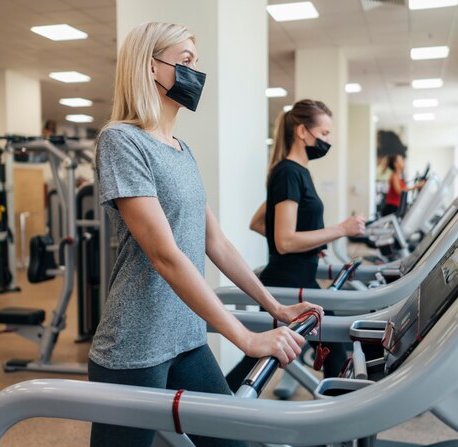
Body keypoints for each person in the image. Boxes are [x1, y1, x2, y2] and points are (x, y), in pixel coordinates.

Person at [89, 22, 318, 447]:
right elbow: (166, 255)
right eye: (186, 61)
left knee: (231, 441)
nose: (197, 73)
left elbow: (217, 242)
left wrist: (274, 306)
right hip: (136, 343)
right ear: (151, 67)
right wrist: (245, 337)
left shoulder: (181, 148)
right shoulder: (121, 141)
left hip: (187, 337)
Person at [225, 99, 366, 390]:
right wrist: (339, 229)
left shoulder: (295, 172)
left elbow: (260, 223)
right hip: (286, 281)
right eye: (324, 134)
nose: (328, 141)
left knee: (264, 356)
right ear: (303, 132)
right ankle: (212, 404)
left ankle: (215, 401)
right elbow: (285, 240)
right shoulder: (289, 173)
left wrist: (311, 244)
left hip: (296, 276)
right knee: (330, 351)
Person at [380, 152, 425, 217]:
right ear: (396, 164)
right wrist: (416, 186)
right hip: (391, 208)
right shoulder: (394, 176)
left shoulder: (399, 177)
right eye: (401, 160)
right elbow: (399, 191)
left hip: (396, 207)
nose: (403, 161)